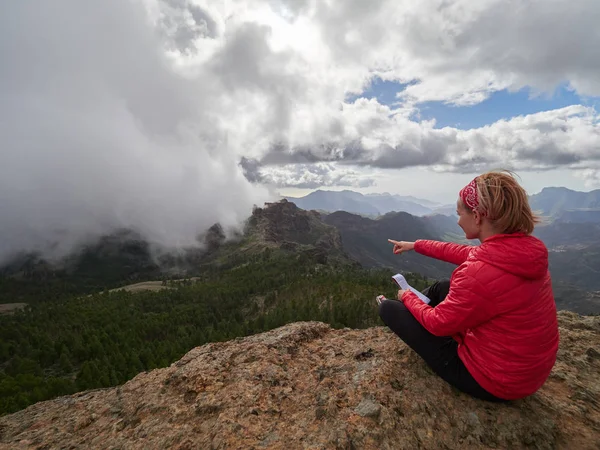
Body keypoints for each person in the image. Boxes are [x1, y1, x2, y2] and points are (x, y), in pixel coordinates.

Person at [378, 170, 559, 402]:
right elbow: (462, 252)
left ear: (477, 217)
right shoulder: (525, 251)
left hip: (494, 381)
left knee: (389, 310)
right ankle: (416, 316)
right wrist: (415, 245)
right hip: (527, 372)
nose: (457, 220)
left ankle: (405, 314)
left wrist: (406, 296)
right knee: (443, 287)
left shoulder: (476, 275)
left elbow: (438, 324)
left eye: (459, 214)